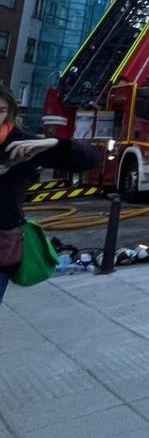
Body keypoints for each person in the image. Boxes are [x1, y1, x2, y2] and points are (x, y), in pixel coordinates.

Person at [0, 85, 99, 303]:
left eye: (1, 110)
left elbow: (88, 160)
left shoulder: (22, 144)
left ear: (10, 113)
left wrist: (53, 143)